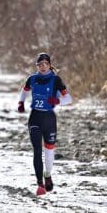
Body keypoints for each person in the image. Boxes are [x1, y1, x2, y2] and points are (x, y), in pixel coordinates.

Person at [17, 53, 72, 196]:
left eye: (45, 64)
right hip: (35, 117)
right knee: (36, 150)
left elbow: (69, 98)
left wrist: (58, 101)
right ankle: (40, 184)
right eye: (39, 64)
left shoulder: (56, 80)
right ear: (37, 66)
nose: (42, 67)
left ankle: (47, 175)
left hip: (49, 119)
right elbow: (24, 90)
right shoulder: (32, 79)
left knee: (49, 151)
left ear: (49, 65)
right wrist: (21, 102)